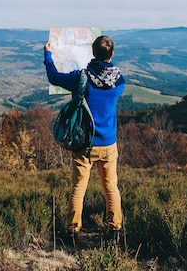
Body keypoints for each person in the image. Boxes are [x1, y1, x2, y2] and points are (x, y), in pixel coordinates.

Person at [44, 35, 126, 246]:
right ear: (112, 54)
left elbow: (53, 77)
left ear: (92, 52)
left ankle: (72, 232)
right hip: (108, 143)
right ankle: (115, 230)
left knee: (78, 187)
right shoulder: (119, 80)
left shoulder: (81, 78)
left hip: (85, 144)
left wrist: (48, 54)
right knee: (111, 187)